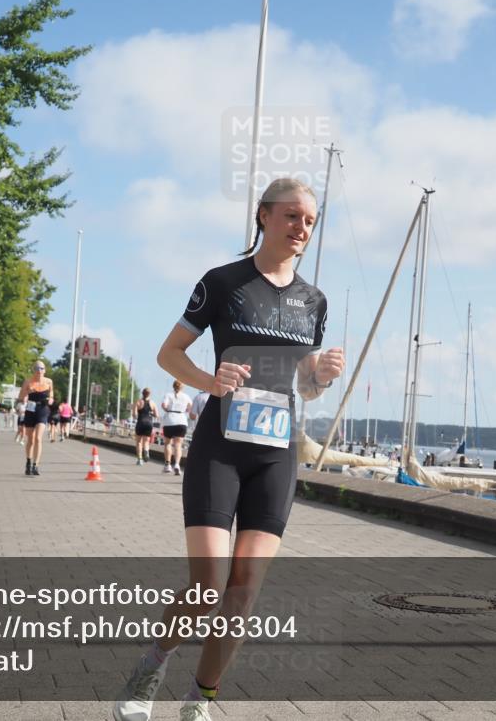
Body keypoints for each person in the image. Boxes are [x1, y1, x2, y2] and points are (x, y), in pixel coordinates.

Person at [113, 177, 344, 721]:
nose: (302, 229)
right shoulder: (223, 282)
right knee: (206, 588)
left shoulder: (314, 300)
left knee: (241, 598)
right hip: (220, 445)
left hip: (275, 453)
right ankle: (150, 667)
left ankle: (200, 701)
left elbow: (303, 384)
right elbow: (169, 354)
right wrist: (208, 380)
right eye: (292, 216)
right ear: (263, 216)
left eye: (310, 221)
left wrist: (323, 378)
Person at [17, 361, 54, 476]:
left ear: (45, 370)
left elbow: (51, 393)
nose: (39, 371)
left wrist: (51, 399)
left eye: (41, 368)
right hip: (30, 409)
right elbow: (21, 396)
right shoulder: (28, 381)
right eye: (37, 368)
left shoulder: (49, 381)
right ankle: (28, 462)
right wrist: (27, 393)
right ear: (34, 370)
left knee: (38, 438)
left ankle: (35, 465)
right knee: (31, 440)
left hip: (42, 409)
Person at [160, 380, 191, 475]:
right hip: (181, 420)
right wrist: (184, 410)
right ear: (182, 387)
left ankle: (168, 464)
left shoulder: (168, 395)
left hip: (169, 420)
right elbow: (190, 407)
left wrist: (168, 410)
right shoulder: (186, 396)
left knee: (168, 443)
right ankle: (177, 464)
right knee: (178, 445)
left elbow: (163, 405)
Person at [132, 388, 157, 465]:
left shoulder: (138, 402)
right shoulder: (152, 403)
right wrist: (150, 413)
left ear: (142, 393)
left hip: (141, 422)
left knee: (139, 442)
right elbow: (156, 415)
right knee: (146, 441)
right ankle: (146, 451)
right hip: (149, 423)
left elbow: (134, 415)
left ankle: (140, 459)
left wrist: (138, 414)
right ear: (149, 394)